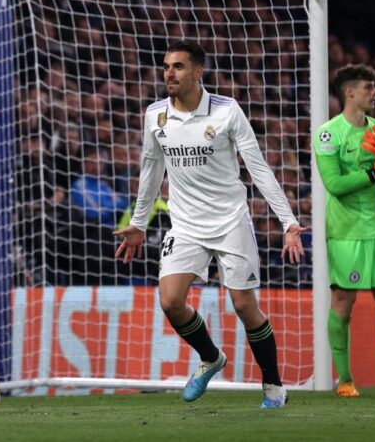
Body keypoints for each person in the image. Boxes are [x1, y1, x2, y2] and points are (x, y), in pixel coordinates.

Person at [114, 40, 307, 409]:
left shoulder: (226, 111)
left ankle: (273, 386)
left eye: (178, 67)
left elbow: (258, 167)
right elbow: (151, 172)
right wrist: (139, 223)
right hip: (184, 223)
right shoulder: (155, 114)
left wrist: (288, 221)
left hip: (230, 221)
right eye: (167, 66)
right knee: (170, 301)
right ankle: (211, 357)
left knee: (244, 306)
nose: (169, 73)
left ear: (198, 72)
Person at [312, 64, 375, 397]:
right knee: (343, 304)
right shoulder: (328, 133)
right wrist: (373, 173)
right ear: (350, 92)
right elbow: (335, 185)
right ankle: (345, 380)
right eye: (369, 87)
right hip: (345, 233)